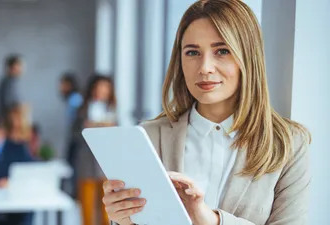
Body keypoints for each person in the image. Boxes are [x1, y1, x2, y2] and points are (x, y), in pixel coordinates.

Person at [102, 1, 311, 225]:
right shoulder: (149, 137)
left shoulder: (289, 144)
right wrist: (123, 220)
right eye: (192, 52)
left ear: (247, 57)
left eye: (222, 51)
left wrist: (212, 220)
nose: (205, 67)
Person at [72, 74, 117, 225]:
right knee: (87, 207)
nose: (101, 91)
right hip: (86, 163)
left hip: (105, 164)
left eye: (105, 88)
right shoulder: (82, 110)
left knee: (106, 208)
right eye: (98, 87)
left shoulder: (112, 110)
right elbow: (74, 135)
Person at [0, 54, 24, 122]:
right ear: (13, 67)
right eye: (19, 66)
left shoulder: (6, 81)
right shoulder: (9, 82)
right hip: (8, 120)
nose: (22, 69)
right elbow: (9, 104)